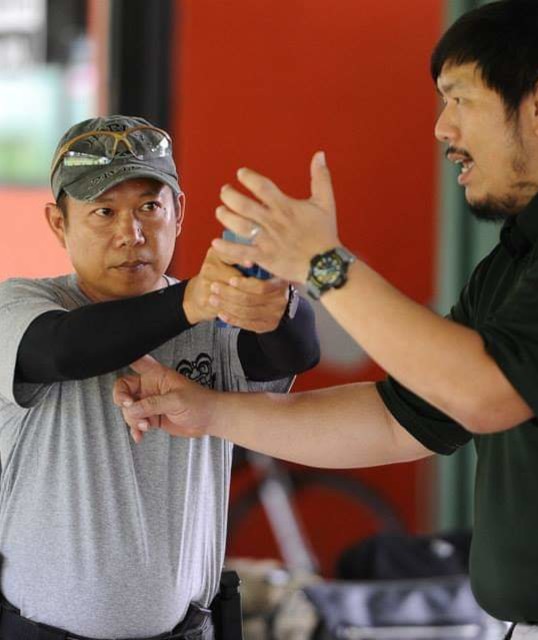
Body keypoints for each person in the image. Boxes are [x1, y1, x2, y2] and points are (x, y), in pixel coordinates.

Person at [114, 0, 538, 638]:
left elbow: (488, 392)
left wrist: (323, 264)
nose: (442, 128)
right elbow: (398, 420)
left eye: (460, 99)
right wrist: (208, 412)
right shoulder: (527, 251)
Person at [0, 115, 320, 639]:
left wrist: (278, 302)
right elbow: (63, 350)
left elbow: (295, 352)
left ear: (179, 213)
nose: (131, 234)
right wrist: (192, 300)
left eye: (149, 207)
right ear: (59, 224)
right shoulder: (22, 305)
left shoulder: (210, 316)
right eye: (104, 212)